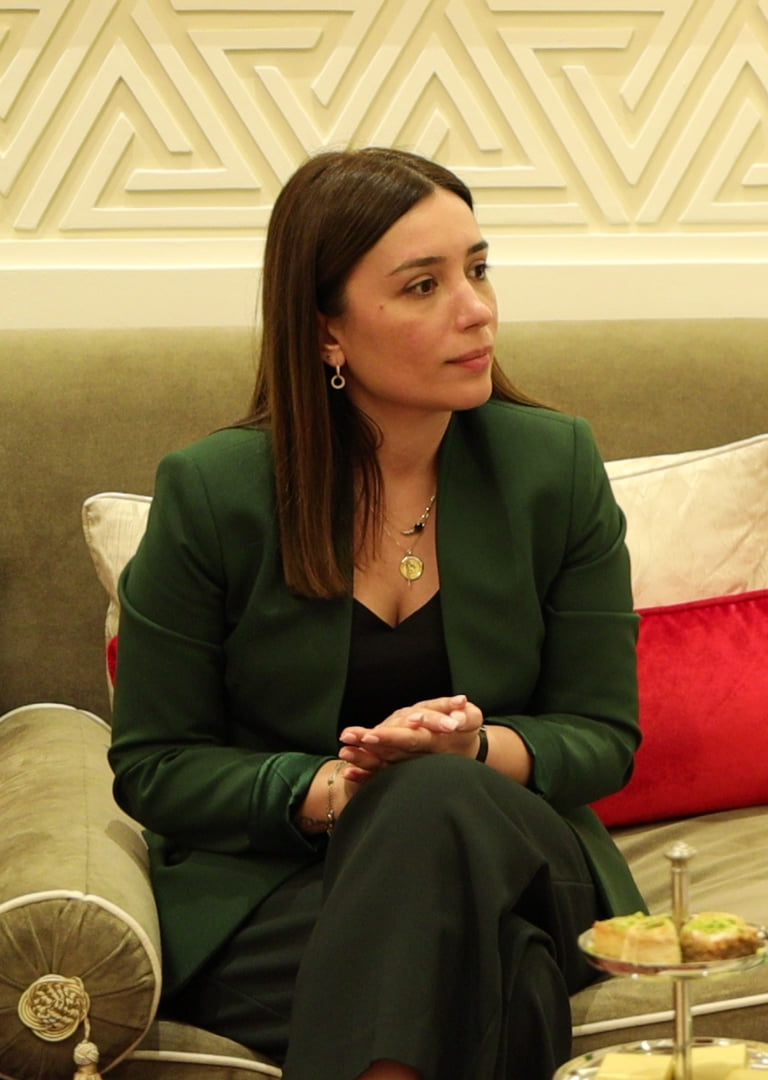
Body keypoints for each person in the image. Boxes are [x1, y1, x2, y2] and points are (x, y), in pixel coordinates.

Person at [107, 147, 646, 1080]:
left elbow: (604, 735)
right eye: (424, 285)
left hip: (523, 860)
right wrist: (336, 791)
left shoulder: (552, 466)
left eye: (479, 269)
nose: (476, 309)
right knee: (505, 973)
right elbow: (155, 765)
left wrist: (472, 751)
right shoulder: (214, 492)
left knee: (433, 793)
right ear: (327, 331)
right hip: (290, 894)